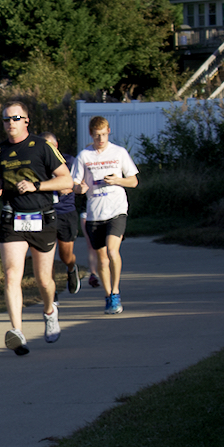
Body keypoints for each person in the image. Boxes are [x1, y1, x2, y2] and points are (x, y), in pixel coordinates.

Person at [0, 102, 73, 355]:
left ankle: (50, 311)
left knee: (43, 280)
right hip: (12, 218)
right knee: (12, 274)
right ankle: (17, 332)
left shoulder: (42, 147)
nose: (10, 123)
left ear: (27, 120)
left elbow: (66, 180)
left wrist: (37, 186)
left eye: (16, 118)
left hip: (42, 217)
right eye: (6, 119)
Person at [72, 116, 140, 314]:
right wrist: (80, 188)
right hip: (95, 212)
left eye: (103, 134)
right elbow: (74, 184)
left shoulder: (119, 153)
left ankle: (116, 292)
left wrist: (117, 180)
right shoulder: (84, 156)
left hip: (116, 210)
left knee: (112, 251)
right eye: (96, 136)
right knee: (102, 259)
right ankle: (108, 295)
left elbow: (134, 181)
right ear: (91, 134)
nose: (100, 139)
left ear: (108, 131)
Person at [40, 132, 81, 301]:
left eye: (50, 145)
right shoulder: (37, 164)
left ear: (56, 146)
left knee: (65, 255)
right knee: (46, 255)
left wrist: (70, 186)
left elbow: (74, 183)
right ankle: (52, 293)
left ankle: (71, 269)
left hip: (65, 212)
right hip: (44, 212)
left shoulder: (69, 161)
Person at [80, 212, 102, 288]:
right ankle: (93, 274)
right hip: (86, 213)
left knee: (104, 247)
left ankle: (104, 271)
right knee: (91, 245)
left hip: (105, 213)